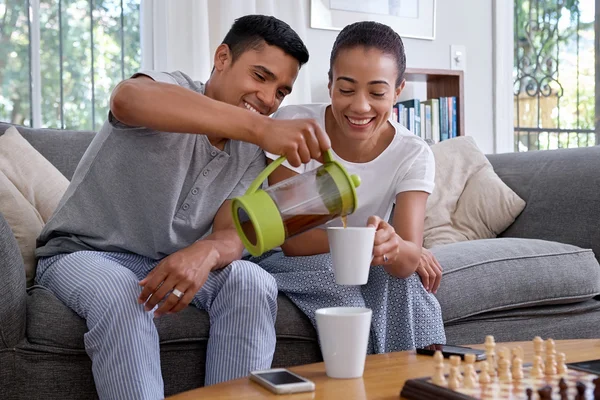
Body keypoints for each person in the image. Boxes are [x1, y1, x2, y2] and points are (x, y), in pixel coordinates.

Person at [35, 15, 330, 400]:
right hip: (83, 254)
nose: (269, 99)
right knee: (126, 294)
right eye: (260, 77)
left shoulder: (252, 150)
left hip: (165, 263)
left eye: (281, 92)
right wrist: (260, 128)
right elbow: (127, 98)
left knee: (254, 280)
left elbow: (230, 231)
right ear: (222, 58)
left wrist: (205, 251)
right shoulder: (173, 89)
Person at [256, 21, 446, 353]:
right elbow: (294, 241)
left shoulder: (412, 153)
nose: (360, 106)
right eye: (346, 90)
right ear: (329, 85)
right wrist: (371, 243)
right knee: (340, 287)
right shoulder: (295, 127)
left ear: (398, 91)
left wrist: (396, 248)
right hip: (292, 259)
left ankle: (419, 380)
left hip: (363, 258)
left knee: (403, 284)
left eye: (377, 92)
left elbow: (407, 258)